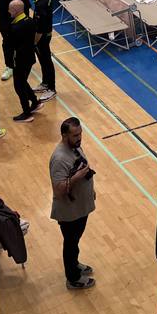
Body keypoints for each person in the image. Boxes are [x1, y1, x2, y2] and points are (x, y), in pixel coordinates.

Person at [50, 117, 96, 289]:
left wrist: (90, 190)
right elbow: (59, 190)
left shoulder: (74, 147)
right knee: (70, 243)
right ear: (64, 135)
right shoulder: (59, 158)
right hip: (69, 212)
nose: (79, 138)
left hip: (79, 207)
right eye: (75, 135)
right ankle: (73, 278)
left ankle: (75, 264)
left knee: (74, 241)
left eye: (80, 134)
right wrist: (77, 177)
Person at [7, 0, 41, 122]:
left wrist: (10, 62)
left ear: (15, 11)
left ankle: (26, 113)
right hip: (30, 57)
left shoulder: (15, 27)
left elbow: (11, 46)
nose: (8, 11)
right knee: (22, 81)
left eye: (10, 9)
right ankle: (35, 101)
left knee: (18, 86)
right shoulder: (30, 21)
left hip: (20, 60)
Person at [26, 0, 57, 100]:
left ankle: (51, 89)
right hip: (45, 34)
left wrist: (34, 43)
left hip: (43, 37)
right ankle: (45, 83)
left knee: (46, 61)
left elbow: (40, 29)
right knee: (43, 61)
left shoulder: (40, 5)